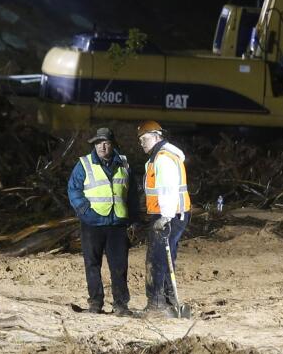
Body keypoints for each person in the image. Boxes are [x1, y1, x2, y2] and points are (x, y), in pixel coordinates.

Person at [66, 126, 132, 315]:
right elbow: (73, 190)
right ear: (94, 145)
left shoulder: (124, 164)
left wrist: (132, 218)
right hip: (92, 224)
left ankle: (120, 305)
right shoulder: (84, 164)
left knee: (119, 266)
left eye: (106, 142)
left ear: (112, 144)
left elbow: (132, 193)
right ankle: (95, 303)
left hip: (116, 224)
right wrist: (86, 212)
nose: (102, 147)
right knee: (92, 264)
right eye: (98, 143)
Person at [137, 119, 190, 315]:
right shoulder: (160, 156)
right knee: (166, 258)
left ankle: (158, 304)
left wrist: (165, 217)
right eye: (140, 139)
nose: (142, 142)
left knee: (157, 258)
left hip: (169, 215)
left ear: (157, 136)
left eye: (145, 138)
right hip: (173, 214)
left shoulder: (163, 159)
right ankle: (169, 301)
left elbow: (168, 189)